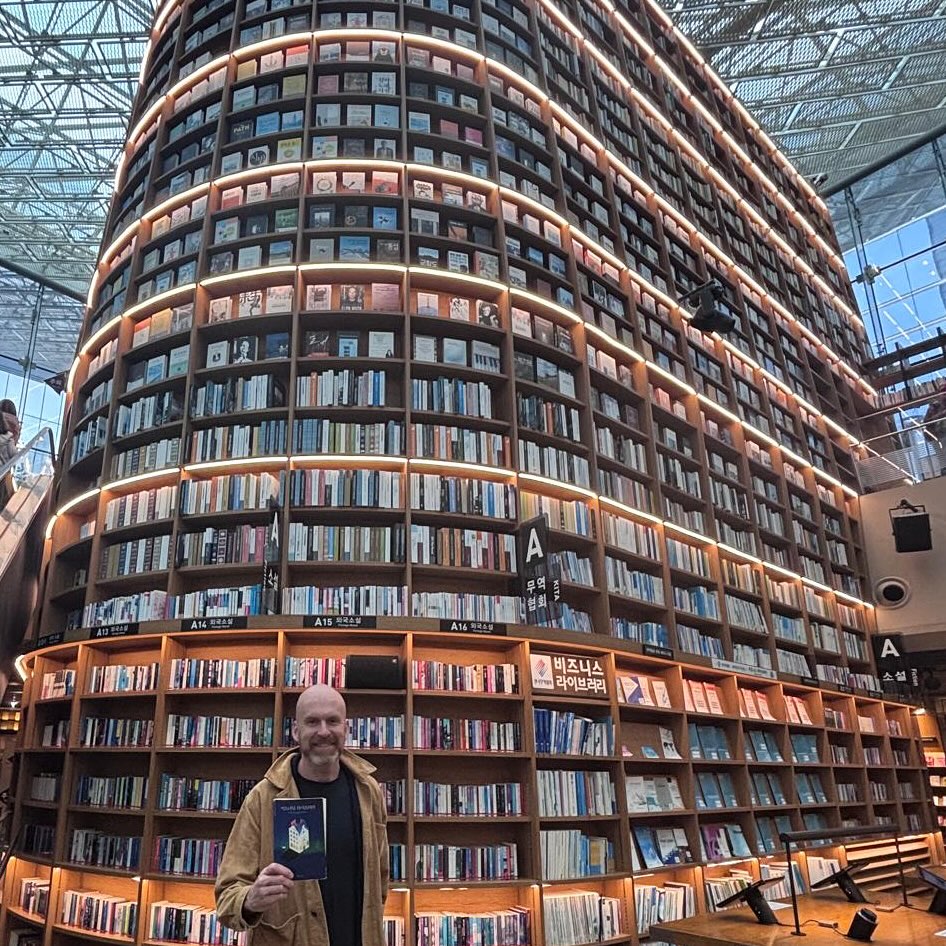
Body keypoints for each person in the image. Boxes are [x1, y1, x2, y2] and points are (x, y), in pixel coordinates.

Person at [215, 685, 389, 946]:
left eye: (332, 721)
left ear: (346, 728)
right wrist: (251, 899)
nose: (323, 731)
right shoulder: (262, 798)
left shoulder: (368, 791)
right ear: (296, 731)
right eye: (312, 722)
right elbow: (227, 896)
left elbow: (381, 878)